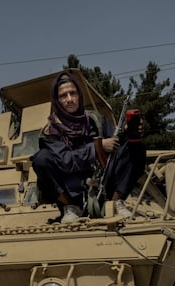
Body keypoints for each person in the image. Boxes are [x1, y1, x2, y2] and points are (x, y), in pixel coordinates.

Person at [31, 70, 146, 223]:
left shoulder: (95, 120)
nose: (70, 99)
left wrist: (129, 133)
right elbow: (66, 161)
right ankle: (70, 208)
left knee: (135, 146)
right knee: (41, 159)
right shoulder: (51, 131)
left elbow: (117, 145)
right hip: (71, 189)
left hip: (103, 185)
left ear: (79, 95)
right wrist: (97, 147)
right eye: (63, 96)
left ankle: (116, 202)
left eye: (73, 93)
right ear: (57, 101)